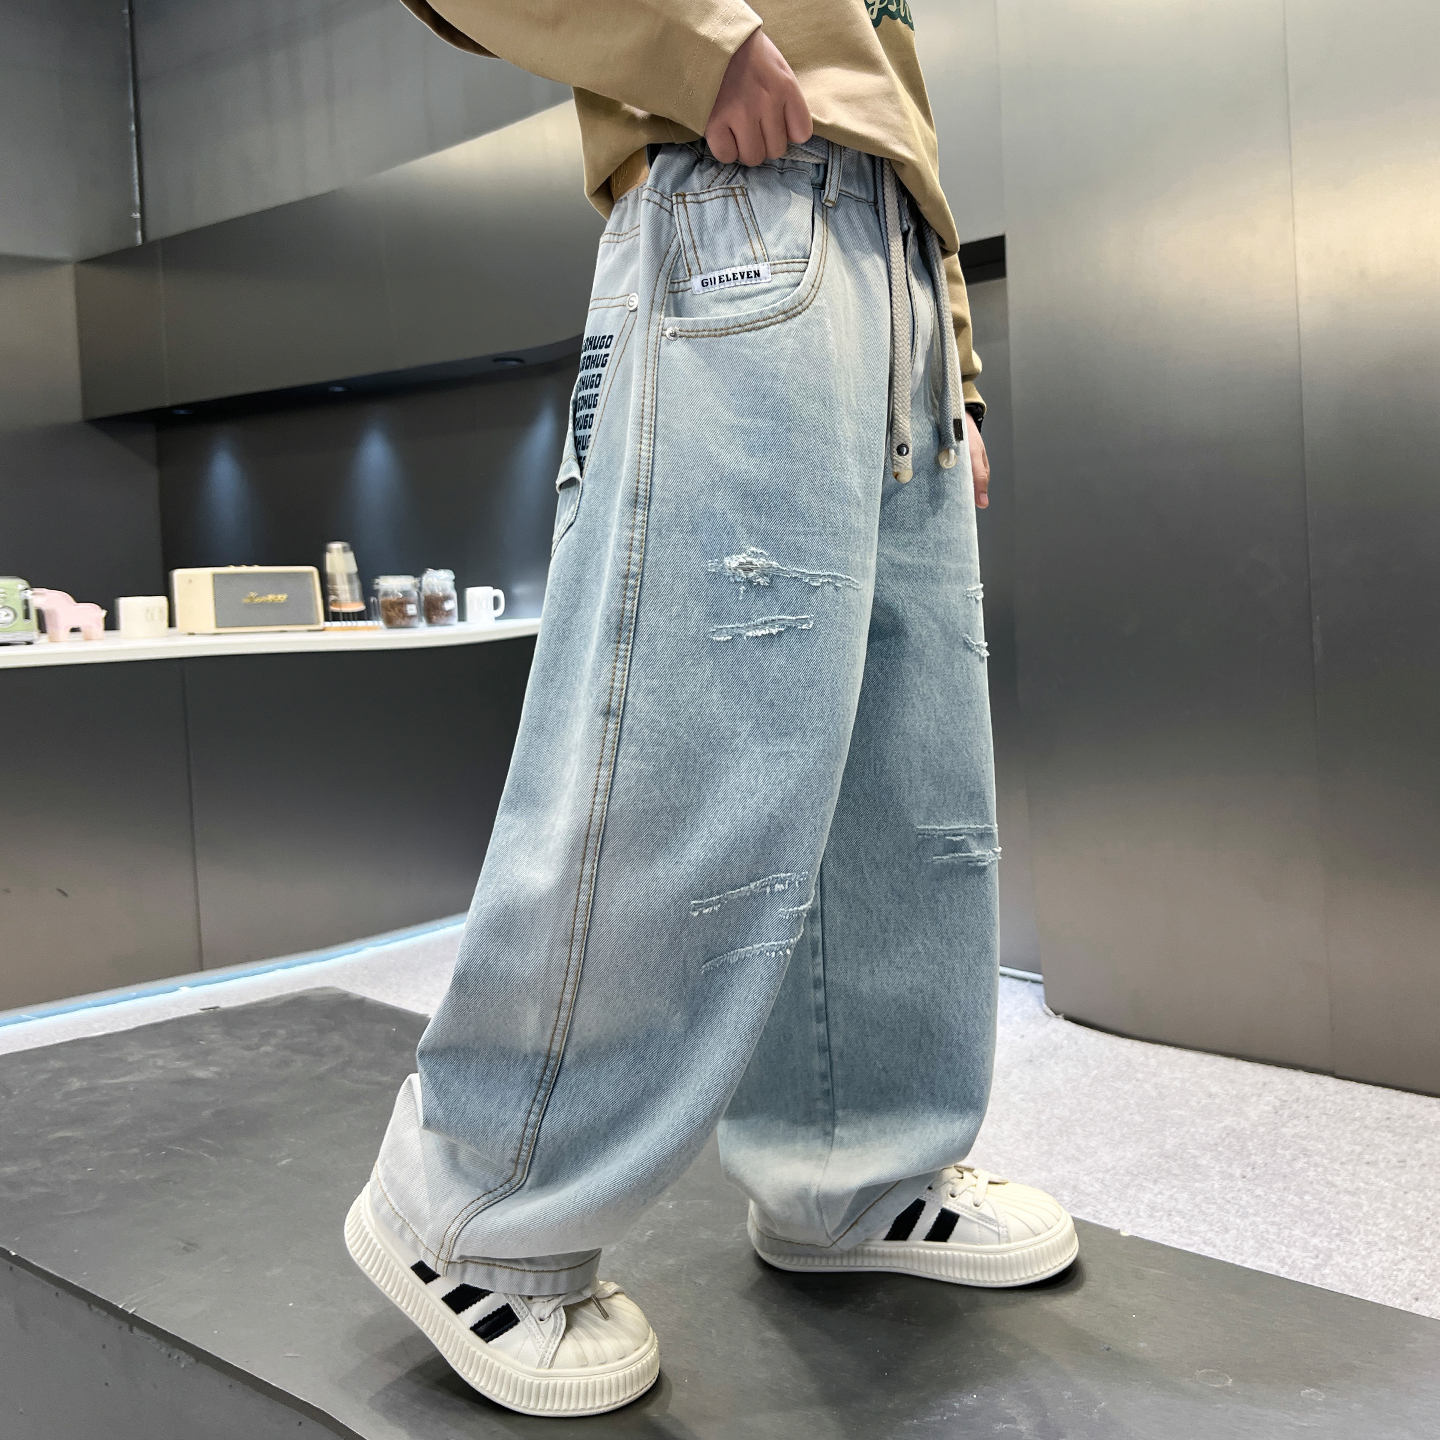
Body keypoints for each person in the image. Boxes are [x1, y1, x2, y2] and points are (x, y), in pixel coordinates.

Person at [344, 1, 1077, 1417]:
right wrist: (694, 40)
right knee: (690, 738)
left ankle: (852, 1164)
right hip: (743, 199)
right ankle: (472, 1206)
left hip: (892, 252)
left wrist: (947, 343)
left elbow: (884, 68)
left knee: (901, 773)